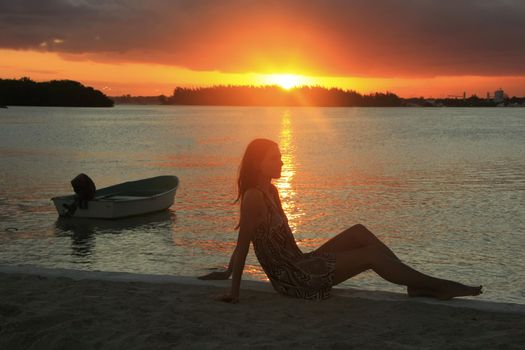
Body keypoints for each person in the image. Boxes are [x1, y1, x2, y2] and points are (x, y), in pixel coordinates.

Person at [199, 138, 483, 303]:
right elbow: (243, 242)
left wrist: (225, 272)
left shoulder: (271, 191)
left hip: (301, 262)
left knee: (359, 231)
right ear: (257, 163)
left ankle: (417, 283)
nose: (282, 162)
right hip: (294, 279)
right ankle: (437, 286)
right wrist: (232, 288)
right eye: (276, 158)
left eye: (282, 157)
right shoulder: (253, 197)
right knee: (369, 256)